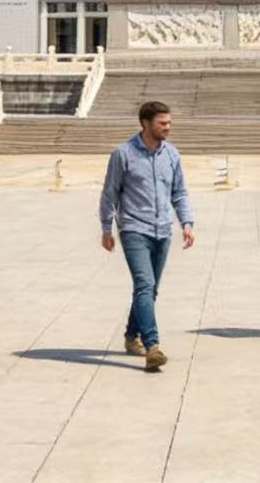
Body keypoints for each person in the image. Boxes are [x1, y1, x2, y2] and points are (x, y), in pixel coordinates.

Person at [100, 100, 195, 372]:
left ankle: (131, 336)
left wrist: (187, 222)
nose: (168, 127)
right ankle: (152, 346)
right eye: (162, 123)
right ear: (145, 124)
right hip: (133, 228)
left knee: (150, 288)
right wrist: (107, 229)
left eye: (169, 123)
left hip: (163, 229)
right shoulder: (123, 154)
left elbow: (179, 192)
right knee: (144, 285)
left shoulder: (171, 155)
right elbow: (110, 194)